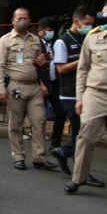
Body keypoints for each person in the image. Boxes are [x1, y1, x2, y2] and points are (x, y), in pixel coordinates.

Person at [0, 8, 59, 171]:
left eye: (25, 17)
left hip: (35, 87)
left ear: (30, 20)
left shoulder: (35, 40)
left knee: (39, 121)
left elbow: (40, 65)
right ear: (13, 20)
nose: (22, 20)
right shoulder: (5, 40)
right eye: (19, 18)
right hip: (16, 86)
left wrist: (43, 66)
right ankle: (18, 156)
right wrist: (1, 90)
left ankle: (39, 158)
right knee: (16, 124)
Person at [52, 6, 103, 186]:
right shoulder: (62, 42)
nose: (91, 26)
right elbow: (61, 69)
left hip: (85, 93)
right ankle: (78, 169)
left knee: (80, 133)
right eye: (87, 23)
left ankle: (65, 153)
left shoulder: (88, 37)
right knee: (81, 134)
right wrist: (83, 60)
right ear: (77, 21)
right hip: (70, 94)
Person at [65, 3, 107, 193]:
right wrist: (80, 97)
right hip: (95, 94)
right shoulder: (93, 37)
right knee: (86, 136)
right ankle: (78, 178)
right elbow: (82, 70)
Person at [37, 17, 67, 151]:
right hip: (40, 84)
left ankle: (56, 142)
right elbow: (34, 66)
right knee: (39, 117)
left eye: (53, 31)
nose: (51, 33)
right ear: (40, 31)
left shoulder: (55, 43)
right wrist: (42, 84)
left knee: (61, 112)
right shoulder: (35, 43)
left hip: (54, 83)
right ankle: (39, 143)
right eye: (49, 31)